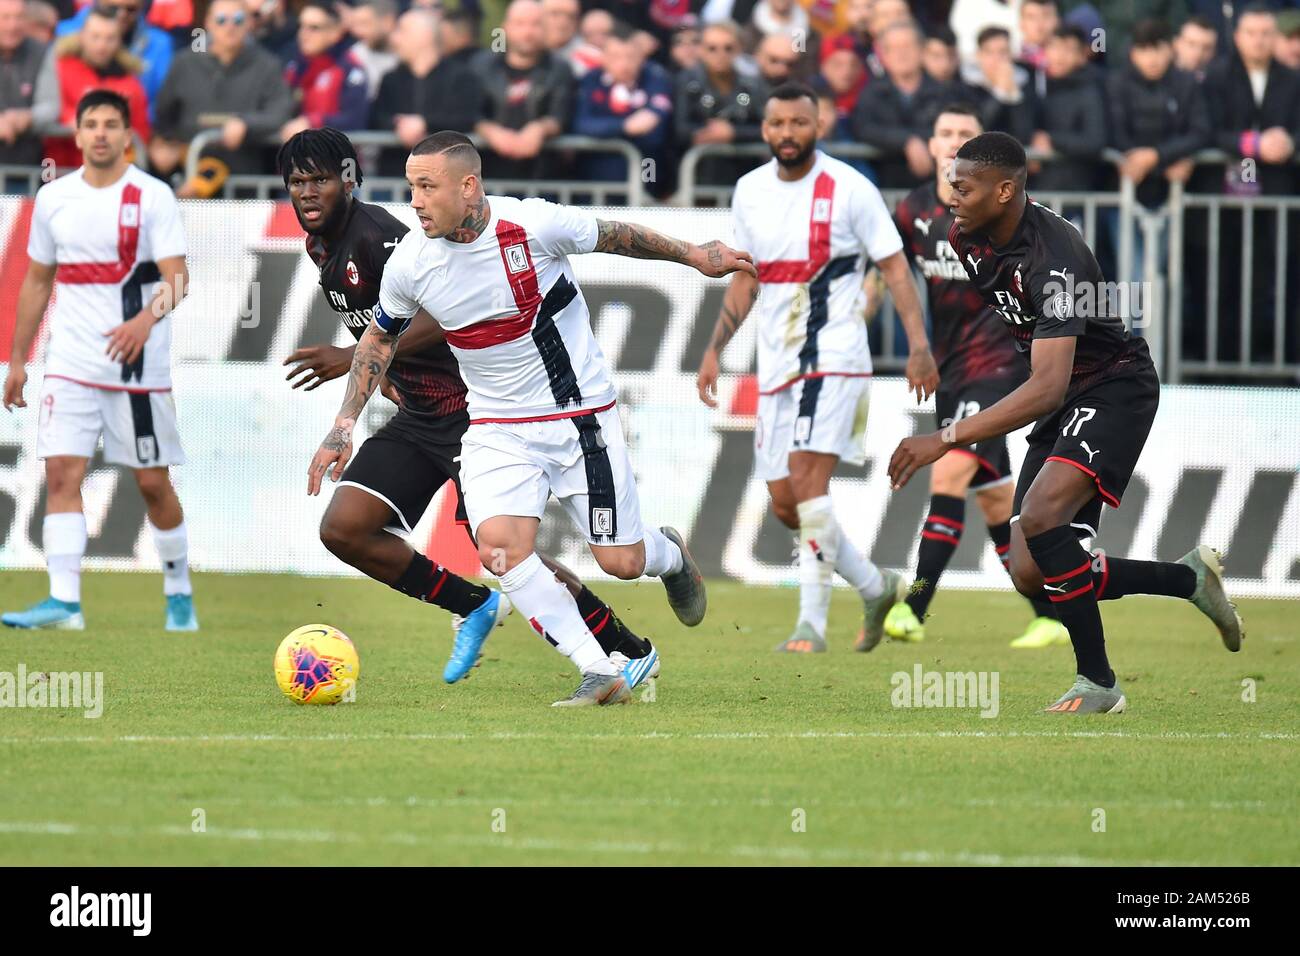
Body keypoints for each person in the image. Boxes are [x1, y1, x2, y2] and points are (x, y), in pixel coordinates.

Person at [307, 131, 748, 706]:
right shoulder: (412, 260)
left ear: (469, 187)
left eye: (427, 187)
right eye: (411, 186)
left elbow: (617, 236)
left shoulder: (532, 225)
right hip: (495, 428)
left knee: (622, 561)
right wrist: (342, 428)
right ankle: (599, 669)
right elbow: (378, 341)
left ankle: (668, 555)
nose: (414, 201)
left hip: (579, 418)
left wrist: (692, 254)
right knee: (499, 551)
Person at [888, 132, 1244, 714]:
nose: (950, 194)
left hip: (1115, 384)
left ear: (1005, 191)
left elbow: (1048, 383)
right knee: (1031, 569)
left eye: (964, 185)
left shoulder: (1057, 260)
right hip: (1064, 393)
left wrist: (945, 436)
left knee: (1043, 516)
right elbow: (1027, 344)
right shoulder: (964, 236)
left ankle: (1098, 682)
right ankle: (1188, 582)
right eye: (952, 182)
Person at [697, 82, 939, 654]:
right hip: (777, 363)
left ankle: (811, 624)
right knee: (786, 502)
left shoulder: (851, 188)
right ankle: (876, 587)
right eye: (778, 124)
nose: (788, 134)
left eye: (799, 124)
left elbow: (896, 269)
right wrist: (714, 348)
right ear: (765, 129)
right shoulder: (748, 190)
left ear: (818, 125)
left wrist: (918, 344)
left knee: (808, 486)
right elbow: (747, 276)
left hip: (835, 358)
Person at [2, 89, 197, 632]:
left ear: (128, 134)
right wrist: (19, 359)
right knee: (62, 471)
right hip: (67, 359)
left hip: (137, 364)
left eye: (112, 123)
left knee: (152, 483)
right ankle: (64, 603)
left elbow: (177, 276)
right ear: (78, 133)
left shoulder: (152, 195)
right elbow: (38, 280)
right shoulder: (54, 198)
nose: (102, 133)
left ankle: (178, 587)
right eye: (92, 124)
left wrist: (142, 322)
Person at [883, 103, 1067, 650]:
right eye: (945, 133)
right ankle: (1050, 614)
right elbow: (891, 269)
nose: (952, 142)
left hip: (1002, 365)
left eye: (965, 135)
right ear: (934, 143)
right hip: (951, 370)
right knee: (992, 501)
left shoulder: (996, 213)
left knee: (950, 471)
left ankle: (914, 604)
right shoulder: (914, 211)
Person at [148, 0, 292, 196]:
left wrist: (247, 123)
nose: (230, 27)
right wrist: (162, 145)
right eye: (221, 20)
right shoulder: (185, 62)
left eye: (238, 20)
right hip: (189, 175)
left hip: (245, 182)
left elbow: (281, 110)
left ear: (250, 23)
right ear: (208, 22)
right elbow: (163, 115)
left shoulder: (267, 65)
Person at [31, 5, 150, 169]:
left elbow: (140, 132)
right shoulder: (60, 68)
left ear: (119, 41)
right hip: (60, 172)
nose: (102, 45)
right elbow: (49, 107)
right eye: (95, 37)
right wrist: (71, 120)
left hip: (111, 176)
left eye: (110, 38)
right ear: (82, 36)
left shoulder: (131, 83)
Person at [471, 0, 573, 182]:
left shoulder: (560, 68)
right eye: (520, 24)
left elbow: (562, 113)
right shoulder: (482, 67)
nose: (527, 32)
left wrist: (540, 129)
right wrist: (490, 131)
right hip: (489, 174)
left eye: (535, 24)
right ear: (506, 28)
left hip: (544, 176)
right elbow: (468, 111)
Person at [280, 0, 368, 140]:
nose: (303, 34)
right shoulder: (294, 67)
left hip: (337, 157)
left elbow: (354, 120)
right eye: (301, 26)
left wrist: (313, 123)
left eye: (314, 28)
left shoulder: (349, 68)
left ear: (335, 32)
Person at [0, 0, 46, 167]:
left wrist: (28, 117)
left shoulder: (41, 52)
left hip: (28, 165)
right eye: (5, 18)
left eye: (18, 17)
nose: (12, 25)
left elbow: (51, 104)